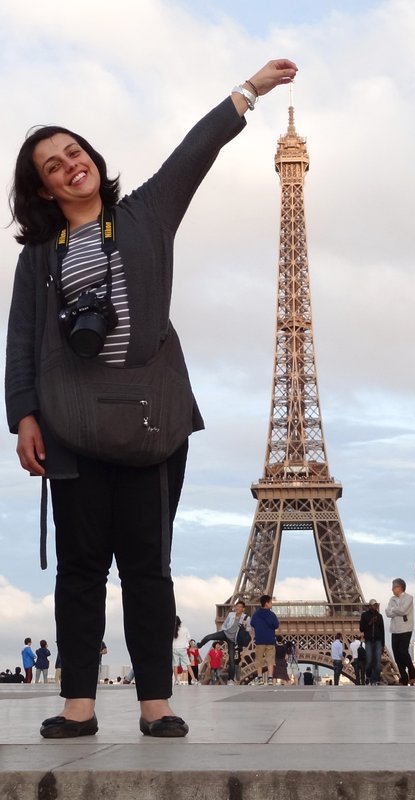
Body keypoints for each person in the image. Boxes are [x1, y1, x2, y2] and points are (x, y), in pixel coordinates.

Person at [5, 58, 297, 739]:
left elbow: (194, 152)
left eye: (73, 151)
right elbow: (20, 340)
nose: (69, 165)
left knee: (147, 568)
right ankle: (79, 704)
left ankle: (154, 704)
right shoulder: (40, 258)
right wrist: (22, 414)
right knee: (80, 569)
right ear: (43, 190)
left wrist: (248, 91)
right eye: (52, 165)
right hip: (70, 425)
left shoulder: (144, 215)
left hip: (148, 420)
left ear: (91, 158)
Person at [198, 600, 250, 685]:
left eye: (240, 607)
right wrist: (222, 631)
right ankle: (199, 645)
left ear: (243, 609)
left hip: (233, 640)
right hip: (225, 633)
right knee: (210, 637)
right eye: (237, 606)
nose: (237, 608)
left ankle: (230, 679)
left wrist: (244, 626)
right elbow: (225, 624)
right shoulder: (231, 614)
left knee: (232, 660)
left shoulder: (246, 618)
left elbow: (248, 630)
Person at [385, 579, 415, 686]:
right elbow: (387, 613)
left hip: (406, 628)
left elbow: (403, 610)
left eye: (394, 587)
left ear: (400, 587)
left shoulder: (409, 598)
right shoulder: (391, 599)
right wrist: (395, 610)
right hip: (394, 629)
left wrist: (393, 610)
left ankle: (412, 673)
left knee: (403, 651)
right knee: (397, 655)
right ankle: (404, 678)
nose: (392, 589)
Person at [250, 594, 280, 685]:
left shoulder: (256, 614)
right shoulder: (272, 614)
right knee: (270, 660)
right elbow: (276, 625)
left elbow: (252, 623)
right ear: (266, 603)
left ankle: (259, 678)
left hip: (259, 640)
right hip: (270, 640)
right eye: (271, 602)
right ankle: (270, 678)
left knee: (259, 660)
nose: (272, 604)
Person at [359, 599, 385, 685]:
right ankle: (369, 676)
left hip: (378, 641)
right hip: (369, 641)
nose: (375, 607)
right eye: (374, 605)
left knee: (377, 662)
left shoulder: (380, 616)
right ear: (370, 606)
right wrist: (370, 623)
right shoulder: (364, 615)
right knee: (369, 661)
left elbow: (382, 631)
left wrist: (383, 644)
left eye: (376, 605)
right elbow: (361, 628)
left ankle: (375, 680)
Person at [172, 616, 195, 686]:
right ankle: (194, 679)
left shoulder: (172, 629)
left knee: (175, 665)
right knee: (188, 664)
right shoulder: (185, 629)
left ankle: (176, 680)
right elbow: (189, 638)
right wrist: (186, 645)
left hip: (174, 648)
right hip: (182, 649)